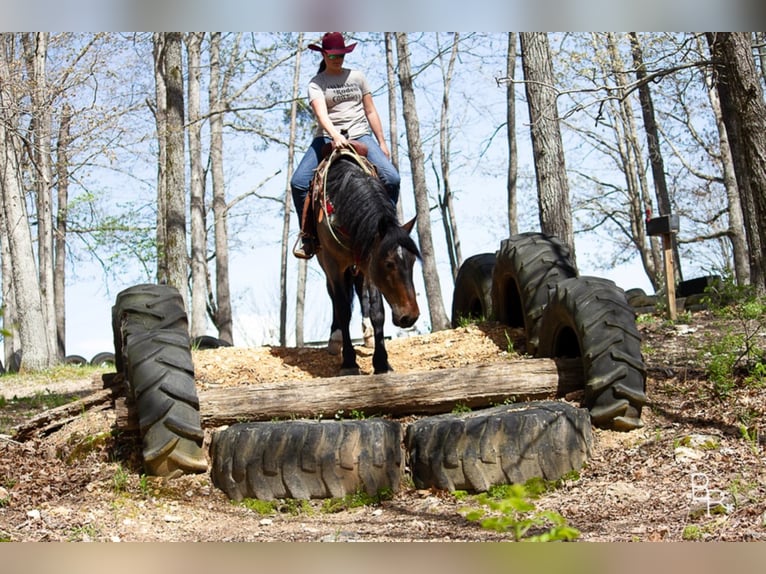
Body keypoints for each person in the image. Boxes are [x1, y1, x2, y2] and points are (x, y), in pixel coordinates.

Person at [291, 32, 401, 259]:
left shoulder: (357, 77)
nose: (337, 59)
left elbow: (370, 110)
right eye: (332, 56)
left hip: (361, 134)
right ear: (324, 54)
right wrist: (334, 136)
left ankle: (387, 228)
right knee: (299, 182)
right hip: (327, 137)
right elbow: (322, 114)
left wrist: (381, 141)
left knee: (392, 178)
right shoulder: (316, 83)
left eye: (340, 55)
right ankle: (309, 235)